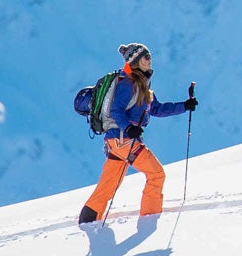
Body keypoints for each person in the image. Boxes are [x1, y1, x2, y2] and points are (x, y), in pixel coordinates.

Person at [79, 43, 196, 225]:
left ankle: (89, 219)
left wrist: (184, 106)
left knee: (109, 184)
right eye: (146, 57)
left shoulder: (143, 85)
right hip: (123, 140)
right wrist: (128, 128)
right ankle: (150, 218)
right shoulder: (128, 84)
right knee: (156, 174)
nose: (150, 60)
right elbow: (116, 110)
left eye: (149, 56)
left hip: (117, 142)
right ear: (136, 61)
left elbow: (156, 109)